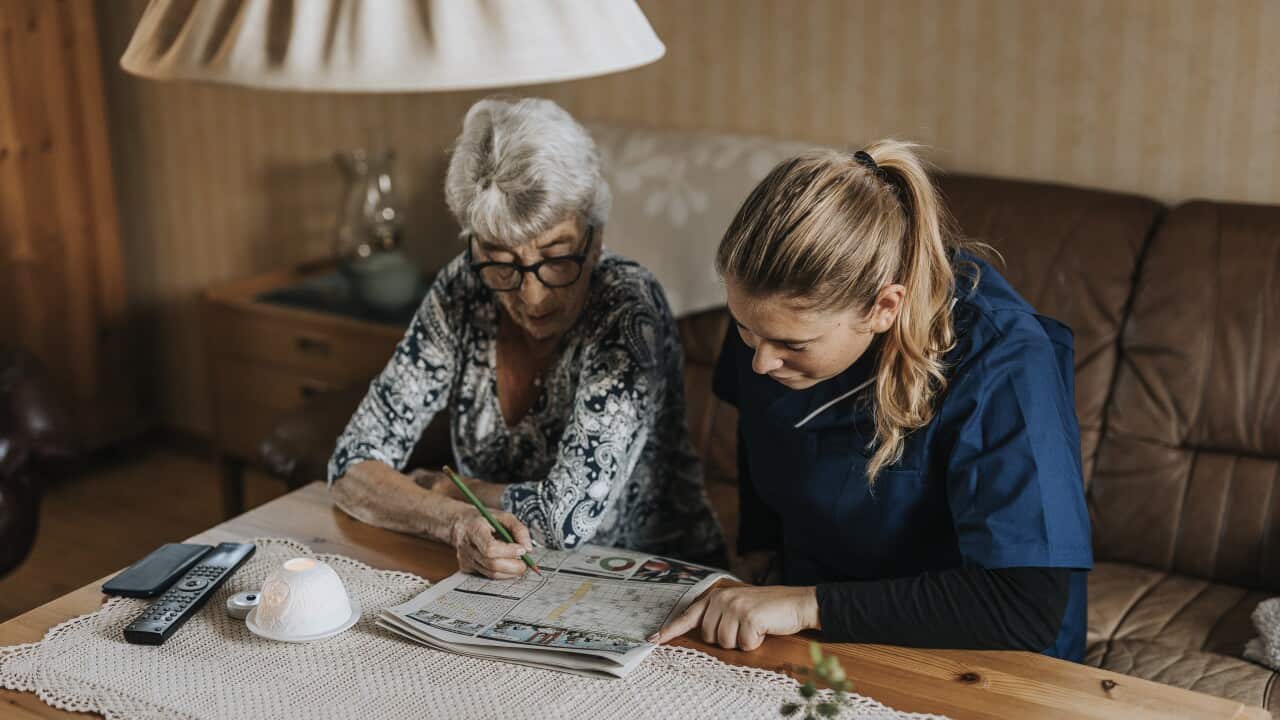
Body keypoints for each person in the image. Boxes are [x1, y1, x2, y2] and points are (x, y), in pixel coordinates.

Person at [652, 142, 1092, 661]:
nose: (761, 364)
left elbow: (1023, 607)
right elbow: (761, 430)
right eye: (746, 330)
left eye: (793, 346)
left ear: (885, 307)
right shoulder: (770, 323)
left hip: (978, 649)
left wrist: (806, 605)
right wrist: (759, 560)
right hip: (811, 619)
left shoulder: (1005, 365)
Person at [327, 97, 725, 579]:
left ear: (594, 238)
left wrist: (449, 487)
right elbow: (352, 465)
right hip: (514, 581)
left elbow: (566, 519)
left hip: (653, 583)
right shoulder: (463, 287)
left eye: (557, 257)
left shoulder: (626, 304)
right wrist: (456, 520)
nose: (532, 295)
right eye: (500, 261)